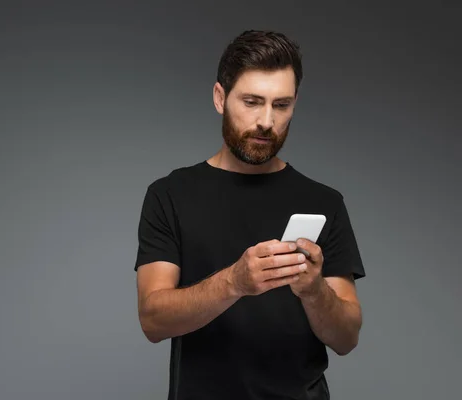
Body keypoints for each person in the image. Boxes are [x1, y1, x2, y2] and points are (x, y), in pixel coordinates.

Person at [133, 30, 366, 400]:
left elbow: (347, 338)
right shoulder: (170, 195)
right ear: (220, 98)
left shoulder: (326, 202)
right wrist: (235, 282)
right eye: (253, 102)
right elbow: (153, 319)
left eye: (281, 105)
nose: (267, 121)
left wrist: (314, 291)